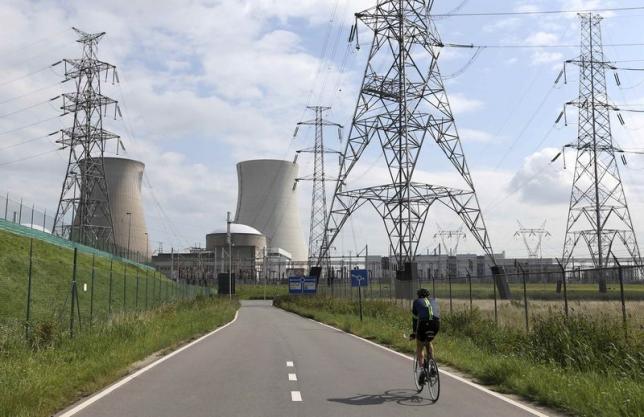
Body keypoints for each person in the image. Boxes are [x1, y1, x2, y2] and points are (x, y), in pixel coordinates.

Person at [409, 288, 440, 382]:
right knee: (429, 341)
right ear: (428, 295)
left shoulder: (416, 301)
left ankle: (422, 370)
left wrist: (414, 333)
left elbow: (415, 319)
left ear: (418, 295)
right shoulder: (433, 301)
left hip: (423, 323)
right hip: (436, 323)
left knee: (420, 345)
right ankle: (432, 367)